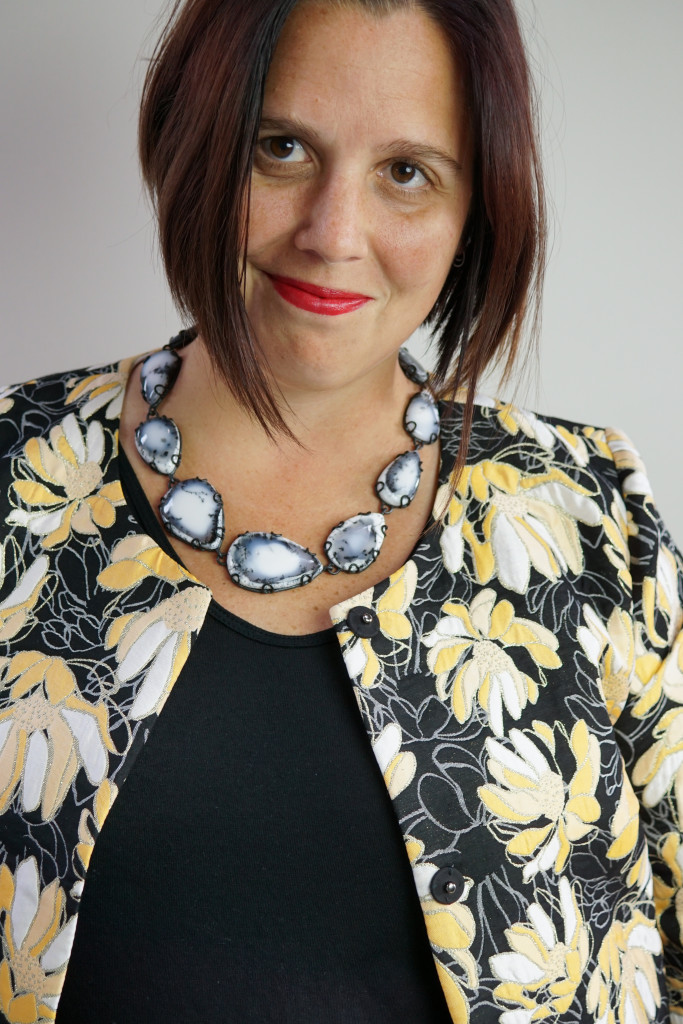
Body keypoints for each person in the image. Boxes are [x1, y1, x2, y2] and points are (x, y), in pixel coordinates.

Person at [0, 0, 681, 1021]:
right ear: (195, 140)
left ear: (474, 207)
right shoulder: (16, 483)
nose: (332, 233)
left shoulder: (585, 515)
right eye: (280, 148)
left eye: (405, 171)